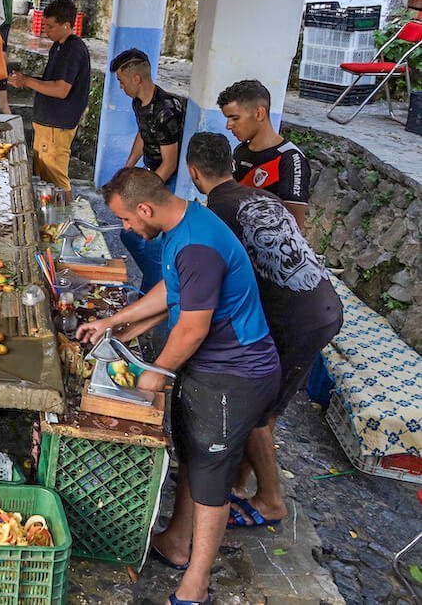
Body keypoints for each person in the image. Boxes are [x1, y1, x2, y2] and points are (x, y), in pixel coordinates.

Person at [79, 168, 279, 605]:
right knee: (192, 453)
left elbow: (191, 328)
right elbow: (172, 289)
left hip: (235, 374)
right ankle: (176, 542)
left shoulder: (197, 246)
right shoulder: (181, 224)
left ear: (145, 209)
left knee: (211, 479)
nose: (127, 229)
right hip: (213, 367)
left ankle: (196, 586)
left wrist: (160, 370)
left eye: (128, 221)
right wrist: (115, 322)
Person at [185, 132, 343, 530]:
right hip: (319, 301)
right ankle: (237, 482)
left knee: (257, 411)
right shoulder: (261, 198)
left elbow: (215, 283)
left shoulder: (218, 212)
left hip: (300, 317)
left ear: (193, 173)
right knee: (259, 404)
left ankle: (271, 500)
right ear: (232, 167)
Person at [110, 48, 188, 292]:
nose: (121, 88)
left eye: (122, 82)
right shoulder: (139, 101)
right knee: (128, 234)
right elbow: (143, 135)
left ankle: (150, 300)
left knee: (154, 247)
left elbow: (170, 163)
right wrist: (127, 169)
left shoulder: (166, 110)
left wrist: (143, 193)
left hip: (170, 180)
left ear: (137, 79)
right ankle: (156, 282)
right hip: (153, 173)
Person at [9, 0, 91, 196]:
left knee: (55, 178)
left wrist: (27, 81)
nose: (46, 30)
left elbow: (61, 89)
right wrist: (25, 80)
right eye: (45, 25)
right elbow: (50, 81)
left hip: (56, 125)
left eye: (50, 26)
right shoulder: (58, 46)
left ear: (67, 25)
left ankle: (60, 223)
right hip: (47, 124)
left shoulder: (73, 50)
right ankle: (48, 221)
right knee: (43, 177)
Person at [218, 79, 311, 231]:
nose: (228, 126)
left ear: (259, 113)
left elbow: (294, 227)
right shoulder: (240, 151)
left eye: (235, 118)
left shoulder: (291, 160)